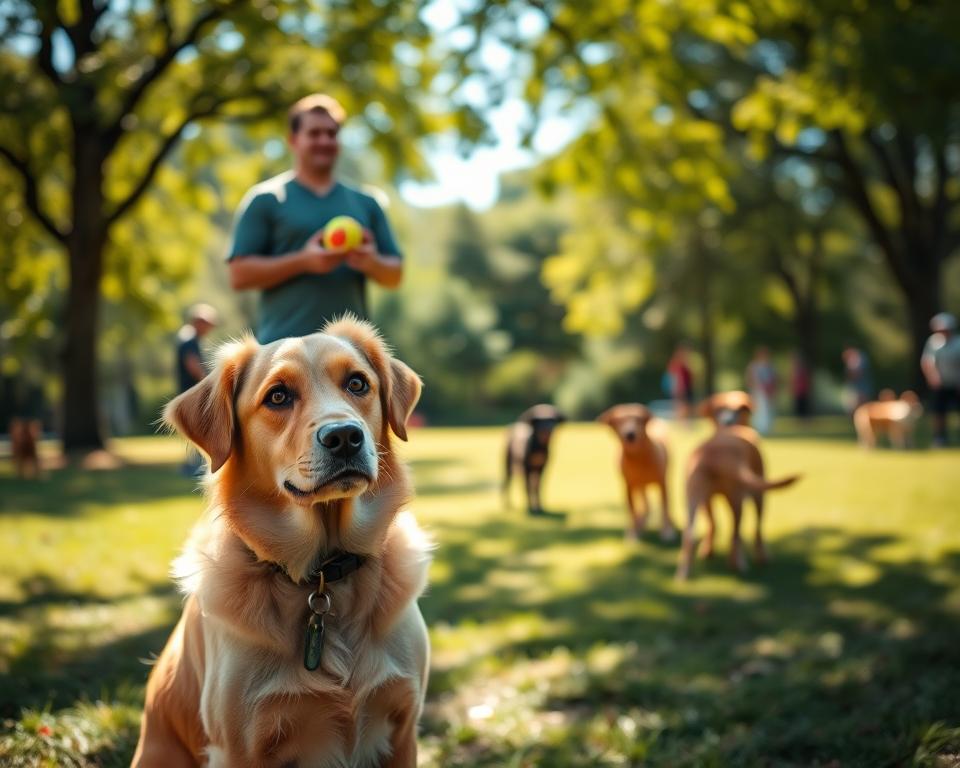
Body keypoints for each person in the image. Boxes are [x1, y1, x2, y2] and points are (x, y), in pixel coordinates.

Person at [227, 94, 403, 343]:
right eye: (315, 133)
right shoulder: (266, 199)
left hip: (350, 352)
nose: (325, 141)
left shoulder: (366, 202)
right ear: (293, 140)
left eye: (332, 133)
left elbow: (395, 275)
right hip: (284, 351)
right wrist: (304, 262)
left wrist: (371, 261)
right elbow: (238, 275)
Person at [176, 303, 218, 475]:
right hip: (193, 394)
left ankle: (195, 464)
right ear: (198, 322)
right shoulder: (189, 340)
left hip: (192, 393)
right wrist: (209, 385)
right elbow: (193, 366)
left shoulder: (189, 338)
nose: (209, 329)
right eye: (208, 324)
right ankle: (194, 466)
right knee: (198, 429)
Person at [921, 312, 960, 446]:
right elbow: (927, 362)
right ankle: (940, 437)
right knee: (938, 412)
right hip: (940, 384)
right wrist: (933, 377)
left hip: (956, 383)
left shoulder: (958, 343)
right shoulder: (933, 342)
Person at [746, 346, 777, 435]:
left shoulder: (770, 366)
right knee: (758, 410)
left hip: (767, 392)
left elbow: (773, 378)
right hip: (757, 391)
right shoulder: (753, 366)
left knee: (768, 410)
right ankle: (758, 428)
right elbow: (750, 379)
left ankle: (766, 428)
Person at [666, 345, 694, 422]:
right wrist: (677, 389)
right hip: (681, 389)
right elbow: (676, 377)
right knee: (681, 406)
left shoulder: (685, 363)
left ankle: (683, 422)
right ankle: (681, 422)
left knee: (685, 406)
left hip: (686, 388)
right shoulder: (677, 363)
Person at [842, 345, 873, 414]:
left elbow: (856, 374)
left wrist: (850, 373)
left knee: (861, 408)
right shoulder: (852, 361)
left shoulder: (860, 359)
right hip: (854, 389)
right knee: (853, 409)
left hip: (861, 389)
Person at [791, 351, 812, 419]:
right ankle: (799, 418)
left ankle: (803, 418)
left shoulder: (802, 369)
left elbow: (806, 379)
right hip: (798, 390)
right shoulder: (795, 369)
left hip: (803, 390)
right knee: (799, 406)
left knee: (803, 406)